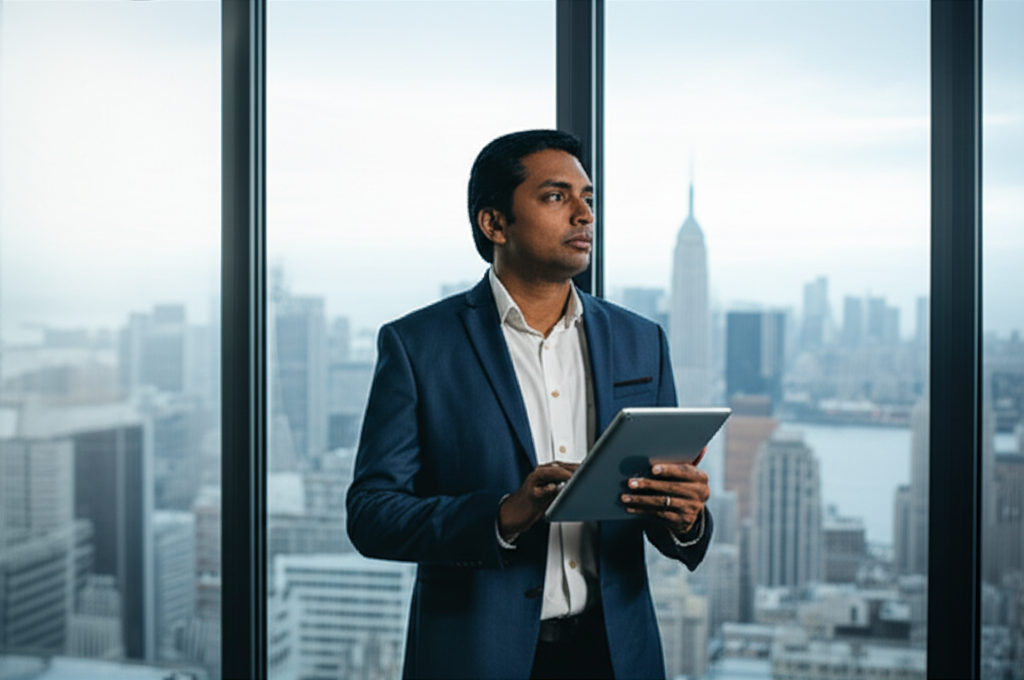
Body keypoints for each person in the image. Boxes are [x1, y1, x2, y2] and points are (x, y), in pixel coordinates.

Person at [346, 130, 712, 680]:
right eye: (556, 197)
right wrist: (502, 515)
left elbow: (662, 515)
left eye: (588, 198)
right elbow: (371, 515)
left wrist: (686, 519)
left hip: (617, 656)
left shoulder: (642, 341)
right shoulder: (418, 346)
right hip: (475, 657)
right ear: (494, 223)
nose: (584, 214)